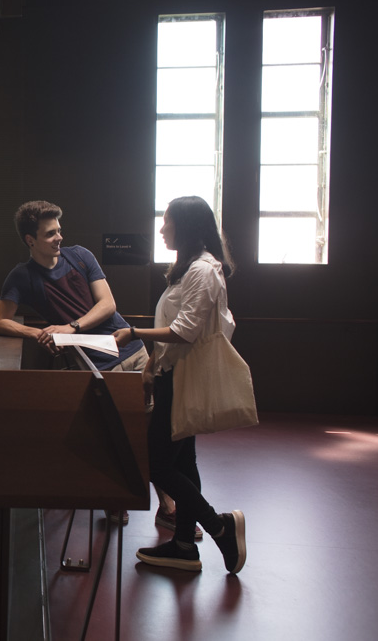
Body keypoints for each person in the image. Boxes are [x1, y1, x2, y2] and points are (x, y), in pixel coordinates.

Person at [113, 195, 246, 574]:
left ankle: (220, 527)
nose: (161, 228)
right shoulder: (186, 268)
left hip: (185, 380)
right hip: (173, 375)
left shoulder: (204, 271)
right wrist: (151, 368)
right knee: (184, 464)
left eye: (167, 221)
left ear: (184, 226)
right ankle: (185, 545)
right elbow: (176, 331)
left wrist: (133, 332)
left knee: (156, 465)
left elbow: (184, 332)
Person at [0, 200, 147, 372]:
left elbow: (108, 304)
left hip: (133, 349)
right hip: (97, 366)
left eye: (59, 230)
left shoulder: (80, 255)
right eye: (50, 234)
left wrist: (71, 327)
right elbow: (0, 322)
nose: (59, 237)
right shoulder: (21, 276)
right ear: (30, 240)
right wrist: (39, 334)